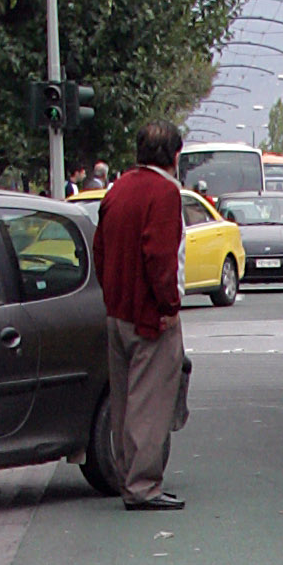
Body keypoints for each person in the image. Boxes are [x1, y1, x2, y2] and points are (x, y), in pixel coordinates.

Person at [91, 121, 188, 512]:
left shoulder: (118, 189)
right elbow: (160, 256)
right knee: (150, 402)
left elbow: (100, 248)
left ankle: (126, 472)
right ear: (174, 156)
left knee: (124, 400)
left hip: (118, 310)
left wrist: (112, 293)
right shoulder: (164, 193)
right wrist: (167, 306)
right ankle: (143, 484)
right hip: (149, 314)